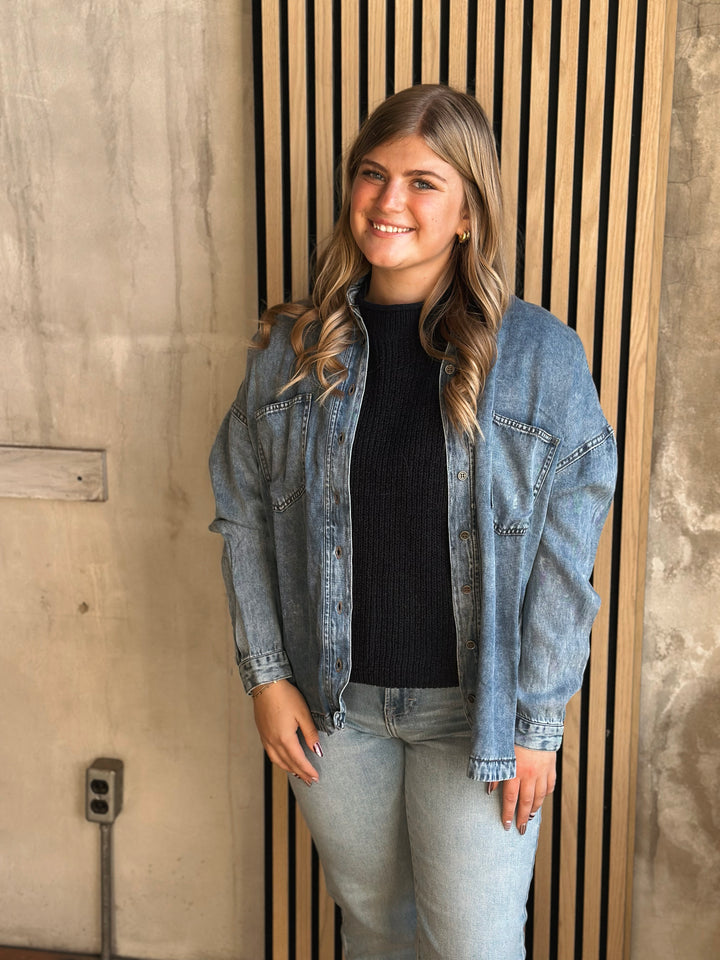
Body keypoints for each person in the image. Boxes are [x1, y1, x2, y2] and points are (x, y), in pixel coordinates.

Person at [209, 84, 616, 960]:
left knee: (473, 943)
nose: (389, 201)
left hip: (476, 718)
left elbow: (564, 556)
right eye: (372, 174)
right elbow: (241, 510)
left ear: (469, 210)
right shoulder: (292, 350)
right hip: (334, 709)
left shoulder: (539, 356)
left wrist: (539, 725)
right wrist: (267, 675)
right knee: (375, 929)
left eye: (423, 181)